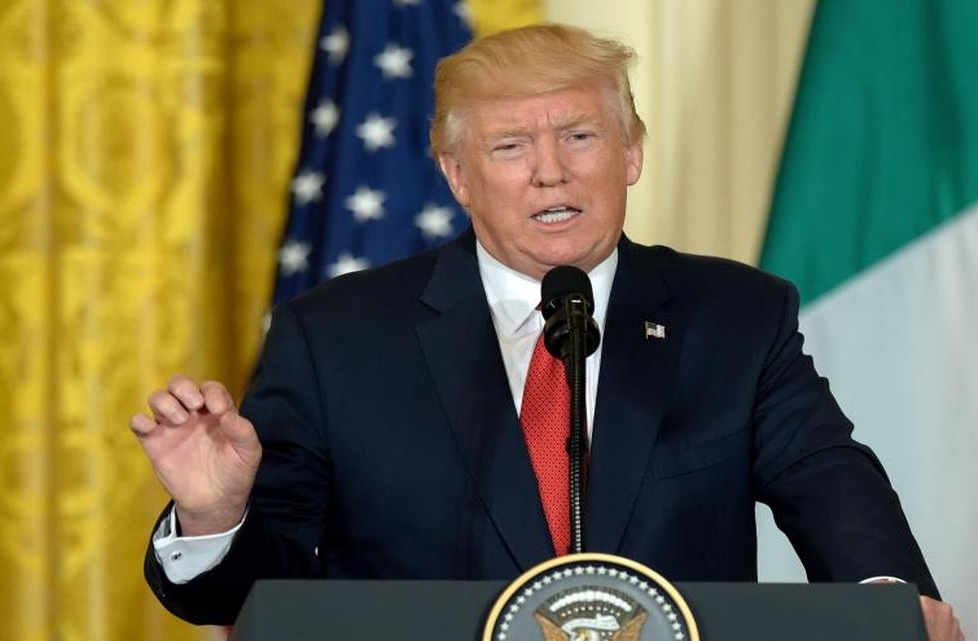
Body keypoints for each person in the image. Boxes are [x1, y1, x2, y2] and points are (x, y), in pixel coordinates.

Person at [130, 24, 963, 639]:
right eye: (510, 145)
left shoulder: (737, 316)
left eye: (578, 135)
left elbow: (829, 481)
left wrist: (888, 601)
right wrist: (216, 516)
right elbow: (250, 602)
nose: (550, 170)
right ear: (457, 174)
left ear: (630, 151)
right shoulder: (337, 337)